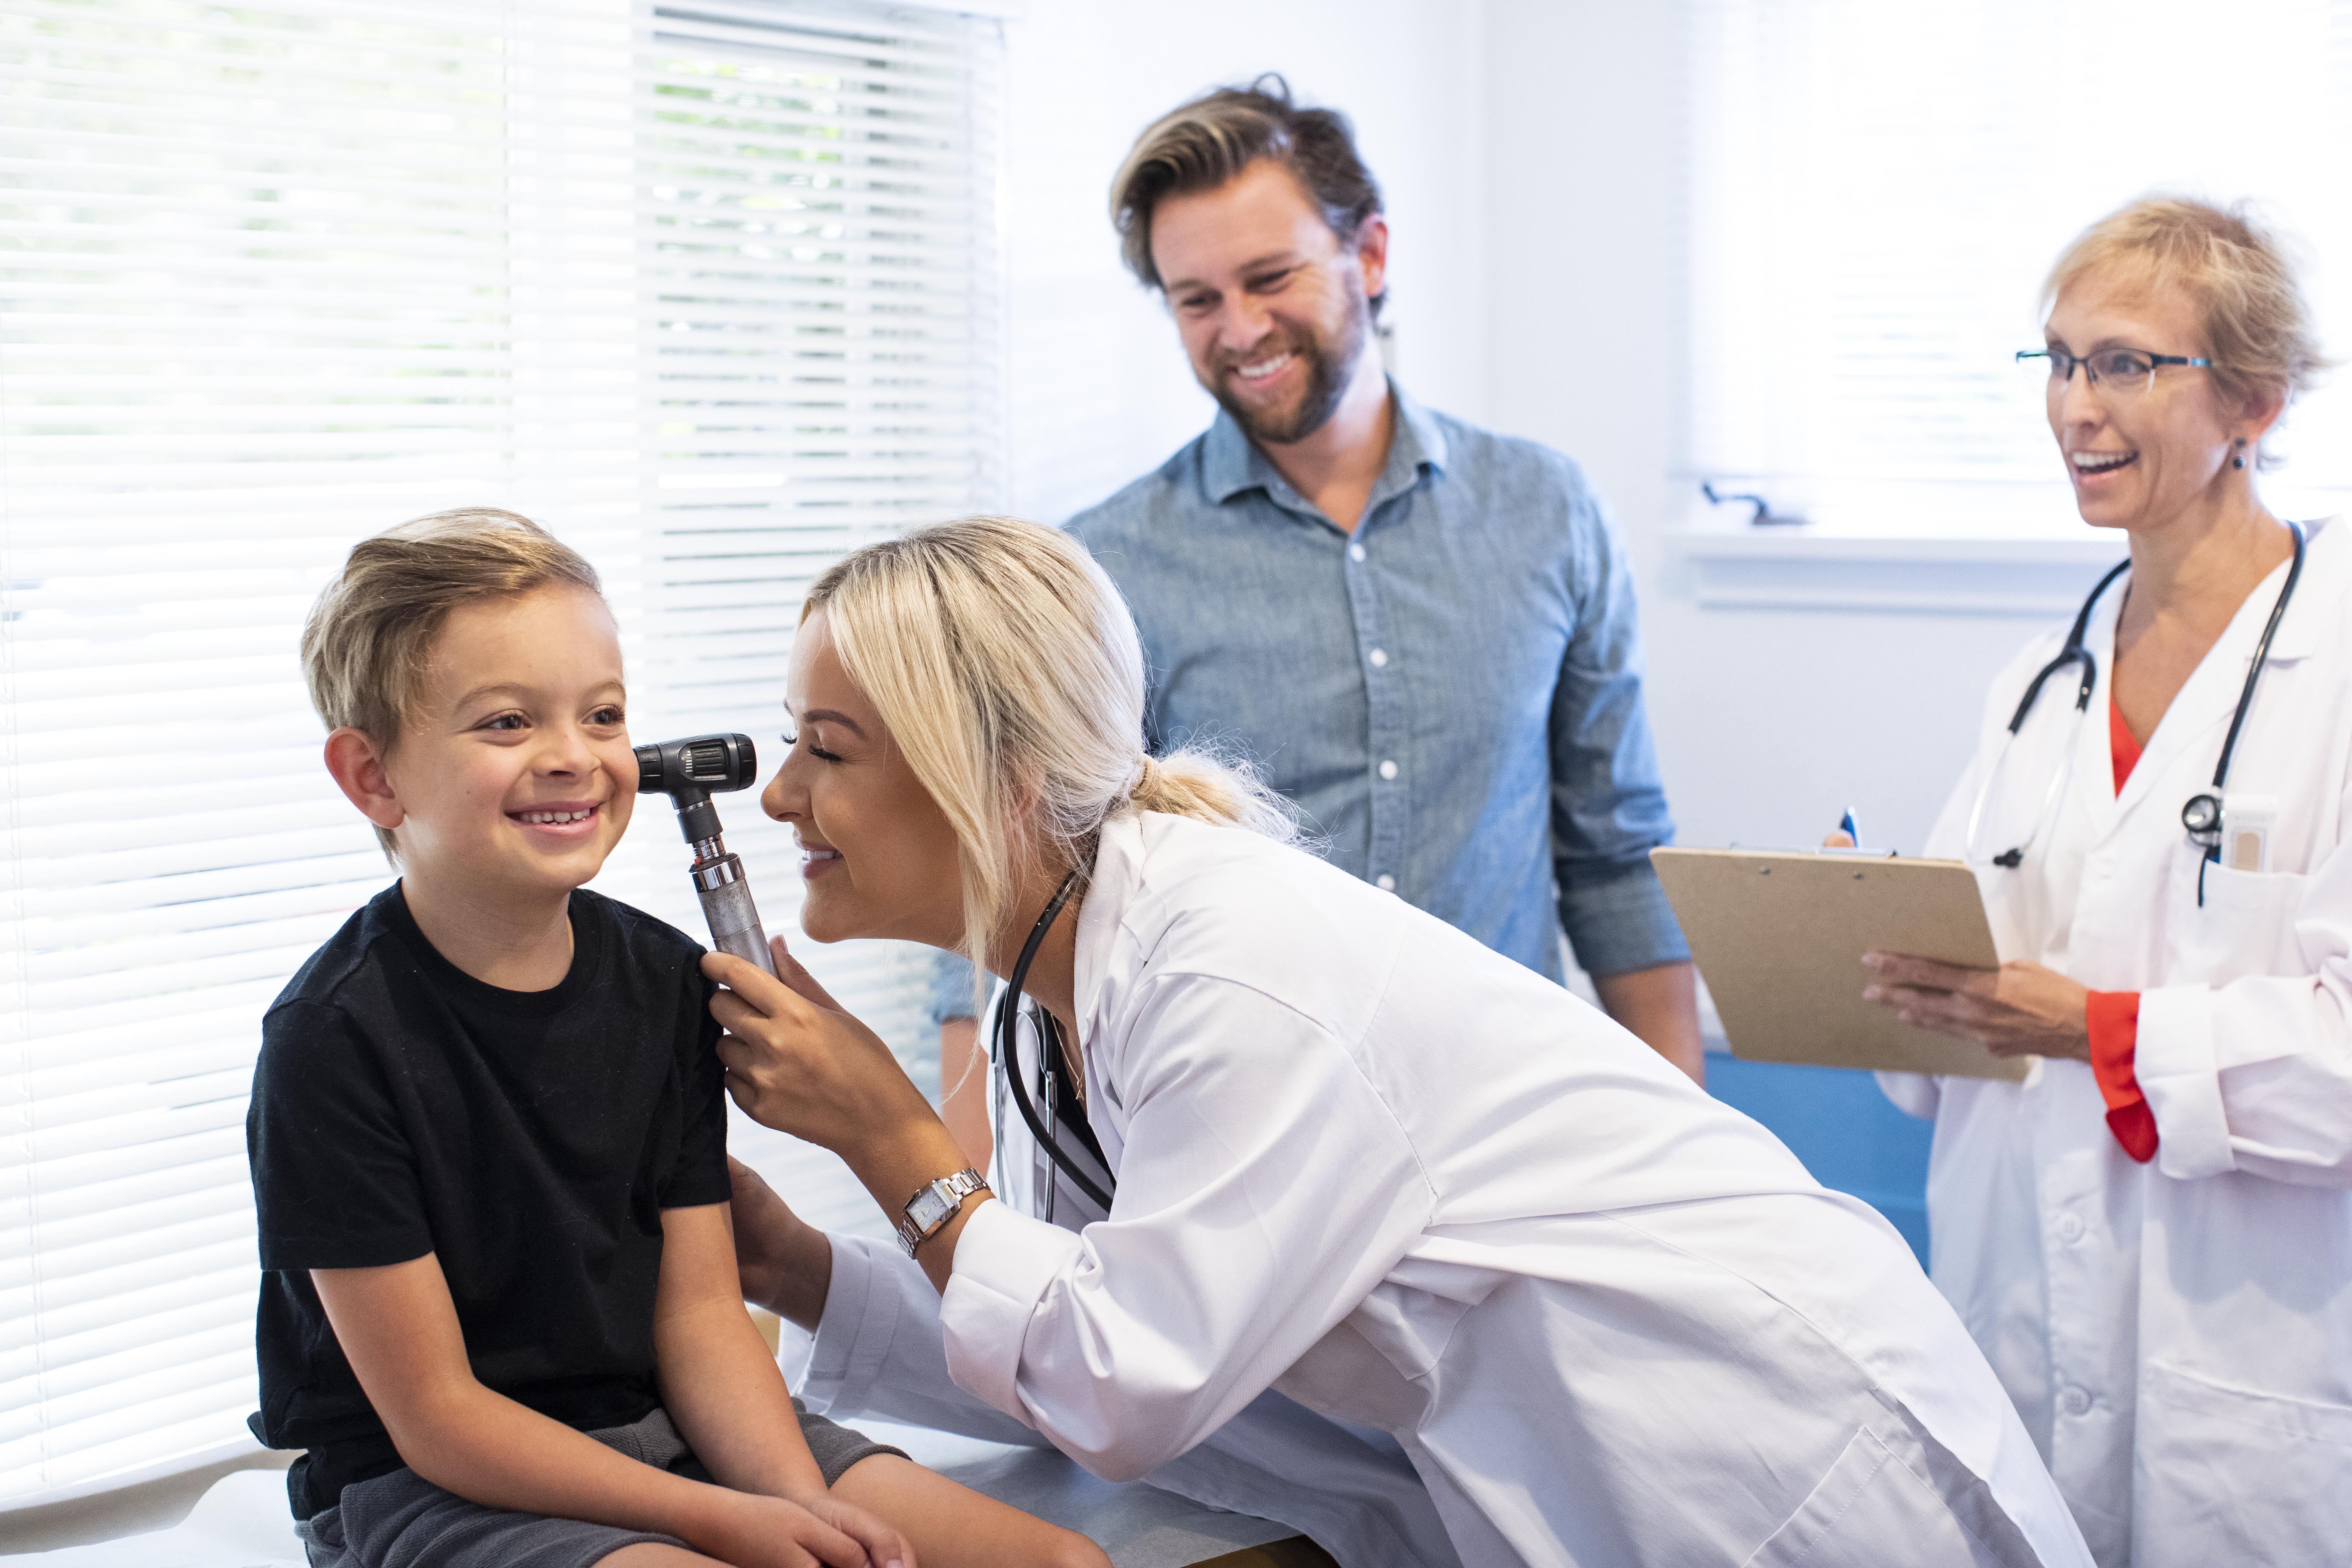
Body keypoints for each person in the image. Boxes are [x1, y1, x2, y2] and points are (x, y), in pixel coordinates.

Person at [711, 514, 2094, 1568]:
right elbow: (1088, 1342)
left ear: (994, 780)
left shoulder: (1235, 969)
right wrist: (809, 1271)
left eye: (829, 751)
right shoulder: (1062, 992)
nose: (780, 797)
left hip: (1759, 1440)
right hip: (1608, 1456)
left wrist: (892, 1141)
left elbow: (1126, 1382)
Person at [246, 510, 1106, 1568]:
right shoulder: (331, 1044)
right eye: (508, 723)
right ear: (373, 777)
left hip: (678, 1426)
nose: (573, 757)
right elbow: (437, 1416)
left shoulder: (663, 985)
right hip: (445, 1484)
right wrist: (723, 1521)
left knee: (1065, 1567)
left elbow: (701, 1320)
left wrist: (798, 1507)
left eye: (602, 715)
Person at [935, 79, 1698, 1164]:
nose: (1240, 331)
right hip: (1234, 1142)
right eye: (1195, 300)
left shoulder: (1548, 513)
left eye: (1269, 278)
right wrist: (970, 1236)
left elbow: (1616, 854)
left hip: (1512, 1128)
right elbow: (1007, 875)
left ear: (1370, 255)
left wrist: (1680, 1148)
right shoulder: (1102, 565)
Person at [1856, 199, 2352, 1566]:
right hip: (2015, 1313)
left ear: (2252, 400)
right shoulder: (2038, 684)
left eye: (2127, 364)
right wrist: (1870, 938)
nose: (2078, 404)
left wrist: (2093, 1028)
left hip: (2253, 1361)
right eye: (2060, 362)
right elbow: (1955, 1022)